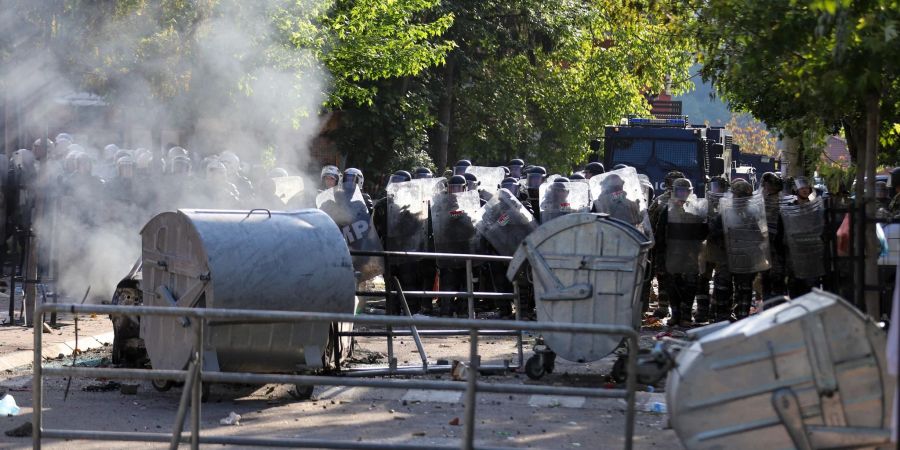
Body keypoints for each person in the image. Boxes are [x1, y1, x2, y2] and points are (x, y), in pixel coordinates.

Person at [656, 178, 707, 327]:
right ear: (674, 192)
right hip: (672, 254)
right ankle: (676, 313)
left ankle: (686, 315)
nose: (682, 194)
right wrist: (661, 255)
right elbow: (660, 233)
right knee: (672, 285)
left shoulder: (696, 209)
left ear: (689, 192)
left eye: (685, 191)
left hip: (691, 255)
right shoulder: (667, 209)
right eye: (679, 191)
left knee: (690, 285)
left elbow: (704, 231)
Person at [718, 179, 769, 320]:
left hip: (745, 258)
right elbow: (714, 232)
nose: (739, 199)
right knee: (723, 287)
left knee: (745, 290)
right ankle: (722, 318)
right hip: (728, 256)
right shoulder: (725, 212)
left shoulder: (751, 215)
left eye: (742, 197)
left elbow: (759, 236)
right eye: (737, 196)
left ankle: (742, 318)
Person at [648, 170, 685, 319]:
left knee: (673, 277)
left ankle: (672, 308)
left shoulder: (661, 201)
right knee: (664, 276)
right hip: (667, 244)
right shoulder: (661, 201)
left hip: (677, 245)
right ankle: (668, 307)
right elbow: (651, 221)